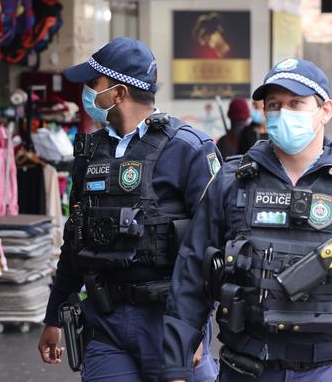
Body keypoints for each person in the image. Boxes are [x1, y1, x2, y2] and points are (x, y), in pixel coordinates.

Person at [163, 58, 332, 382]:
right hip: (246, 368)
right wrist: (176, 363)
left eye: (296, 103)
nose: (283, 113)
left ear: (325, 110)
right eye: (274, 104)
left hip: (331, 370)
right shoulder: (231, 181)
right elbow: (192, 271)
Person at [37, 37, 219, 382]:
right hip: (106, 322)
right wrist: (54, 316)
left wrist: (194, 328)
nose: (87, 92)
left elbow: (213, 247)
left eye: (94, 84)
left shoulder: (189, 150)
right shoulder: (90, 153)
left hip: (168, 321)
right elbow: (74, 240)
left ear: (118, 93)